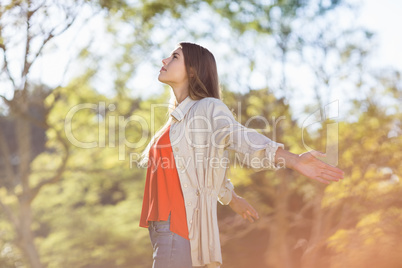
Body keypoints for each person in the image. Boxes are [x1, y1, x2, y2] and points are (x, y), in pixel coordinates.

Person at [139, 42, 344, 268]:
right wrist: (232, 199)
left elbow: (240, 137)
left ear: (192, 70)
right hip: (161, 229)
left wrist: (293, 159)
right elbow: (202, 170)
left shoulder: (207, 108)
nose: (164, 61)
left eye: (174, 57)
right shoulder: (176, 120)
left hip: (177, 226)